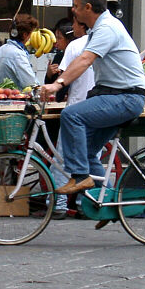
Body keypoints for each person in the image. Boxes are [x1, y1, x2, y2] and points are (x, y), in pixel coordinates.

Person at [40, 0, 145, 195]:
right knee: (88, 153)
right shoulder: (98, 29)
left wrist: (57, 84)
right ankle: (107, 202)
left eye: (75, 6)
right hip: (114, 96)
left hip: (126, 98)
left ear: (87, 8)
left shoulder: (107, 28)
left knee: (71, 115)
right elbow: (81, 58)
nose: (73, 10)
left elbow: (86, 60)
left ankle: (80, 176)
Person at [50, 16, 96, 218]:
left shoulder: (75, 46)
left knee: (62, 158)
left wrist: (52, 81)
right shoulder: (102, 43)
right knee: (90, 158)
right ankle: (86, 203)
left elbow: (63, 76)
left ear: (82, 26)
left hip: (76, 108)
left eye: (76, 23)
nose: (73, 27)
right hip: (99, 108)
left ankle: (58, 204)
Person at [0, 13, 39, 89]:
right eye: (31, 33)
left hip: (1, 96)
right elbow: (30, 83)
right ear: (25, 35)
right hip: (16, 99)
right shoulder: (17, 54)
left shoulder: (0, 50)